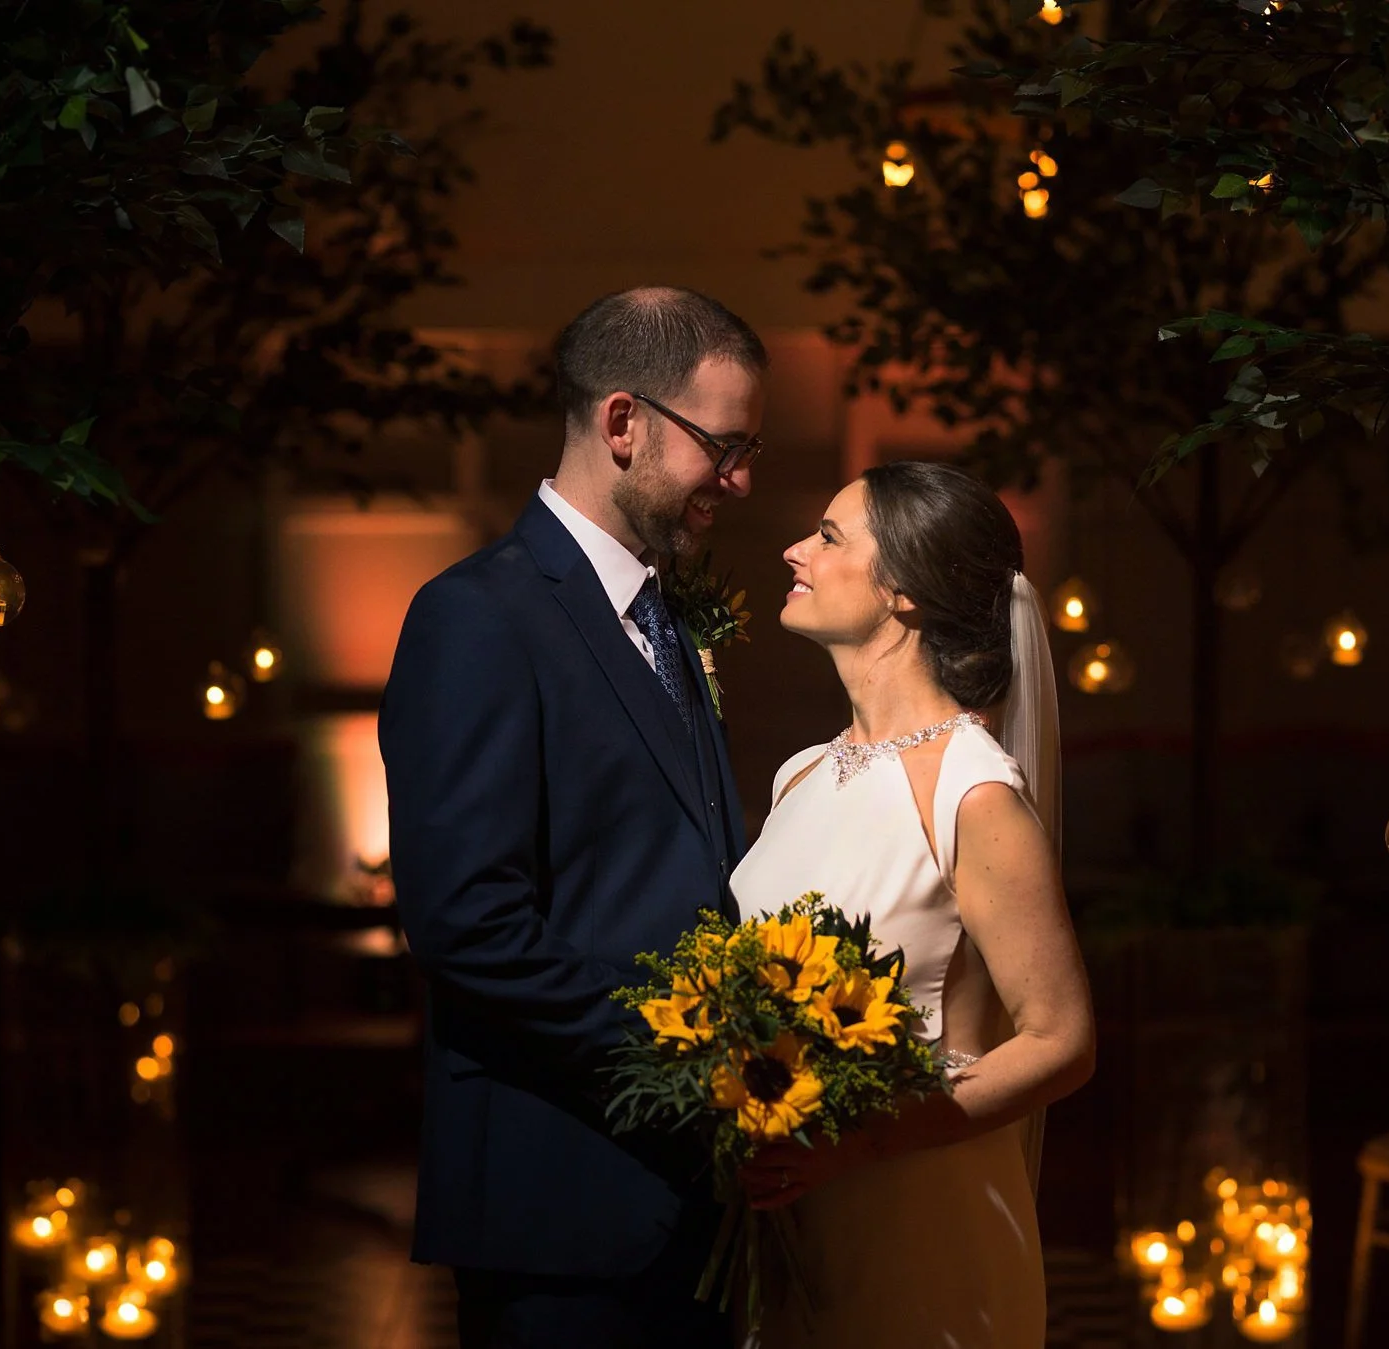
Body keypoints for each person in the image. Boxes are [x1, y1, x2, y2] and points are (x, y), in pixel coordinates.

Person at [379, 286, 767, 1349]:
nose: (737, 481)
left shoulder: (666, 619)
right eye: (722, 445)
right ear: (622, 421)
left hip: (690, 1201)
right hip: (560, 1199)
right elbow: (466, 922)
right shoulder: (477, 614)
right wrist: (696, 1061)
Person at [728, 459, 1096, 1349]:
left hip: (924, 1223)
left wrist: (855, 1145)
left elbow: (1062, 1041)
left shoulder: (973, 792)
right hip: (785, 1222)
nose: (794, 550)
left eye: (826, 536)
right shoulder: (800, 775)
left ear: (905, 592)